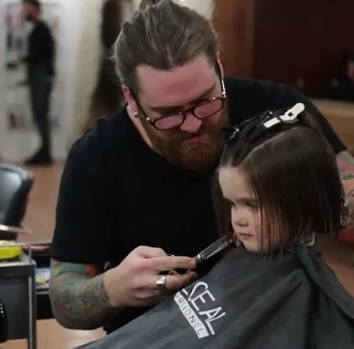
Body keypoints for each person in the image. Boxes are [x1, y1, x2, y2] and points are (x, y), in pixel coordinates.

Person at [48, 0, 354, 334]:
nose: (192, 125)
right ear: (132, 98)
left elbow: (346, 187)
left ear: (219, 68)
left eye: (205, 102)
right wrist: (115, 288)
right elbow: (65, 300)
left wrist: (326, 200)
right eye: (168, 114)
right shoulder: (96, 159)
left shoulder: (277, 110)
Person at [76, 105, 354, 349]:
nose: (238, 219)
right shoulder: (238, 260)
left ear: (300, 198)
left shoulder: (313, 301)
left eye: (252, 205)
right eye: (233, 204)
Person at [20, 0, 55, 165]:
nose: (23, 11)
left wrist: (23, 59)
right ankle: (44, 150)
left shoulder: (41, 29)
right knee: (40, 115)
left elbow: (41, 53)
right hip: (39, 76)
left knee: (41, 114)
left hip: (40, 77)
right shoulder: (39, 29)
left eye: (25, 7)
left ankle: (45, 152)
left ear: (34, 9)